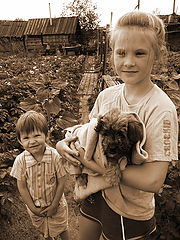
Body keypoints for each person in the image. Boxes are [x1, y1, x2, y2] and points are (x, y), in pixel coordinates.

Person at [56, 11, 179, 240]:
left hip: (129, 209)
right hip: (95, 191)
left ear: (157, 55)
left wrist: (89, 162)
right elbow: (88, 134)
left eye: (139, 53)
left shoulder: (161, 108)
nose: (129, 61)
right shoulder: (106, 96)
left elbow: (153, 180)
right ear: (113, 53)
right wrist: (64, 144)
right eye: (121, 52)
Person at [10, 110, 69, 240]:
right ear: (20, 141)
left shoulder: (55, 157)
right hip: (36, 207)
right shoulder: (21, 161)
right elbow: (22, 186)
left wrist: (54, 205)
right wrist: (32, 207)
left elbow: (61, 181)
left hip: (57, 205)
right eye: (26, 138)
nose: (32, 141)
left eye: (36, 135)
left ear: (46, 136)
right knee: (44, 230)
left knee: (62, 228)